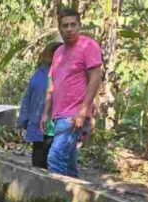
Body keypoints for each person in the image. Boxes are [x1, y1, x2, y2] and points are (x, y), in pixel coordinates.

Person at [40, 8, 103, 178]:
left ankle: (57, 201)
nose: (69, 29)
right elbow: (52, 84)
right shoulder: (59, 53)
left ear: (79, 26)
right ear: (59, 28)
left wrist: (83, 110)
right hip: (59, 115)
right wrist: (46, 113)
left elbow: (95, 79)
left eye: (73, 25)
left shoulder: (88, 46)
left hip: (73, 115)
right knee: (68, 164)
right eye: (65, 25)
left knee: (55, 158)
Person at [18, 42, 61, 169]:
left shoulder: (39, 75)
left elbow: (27, 99)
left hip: (45, 124)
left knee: (41, 160)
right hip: (46, 124)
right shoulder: (43, 75)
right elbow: (28, 99)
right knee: (46, 160)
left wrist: (23, 120)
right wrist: (23, 120)